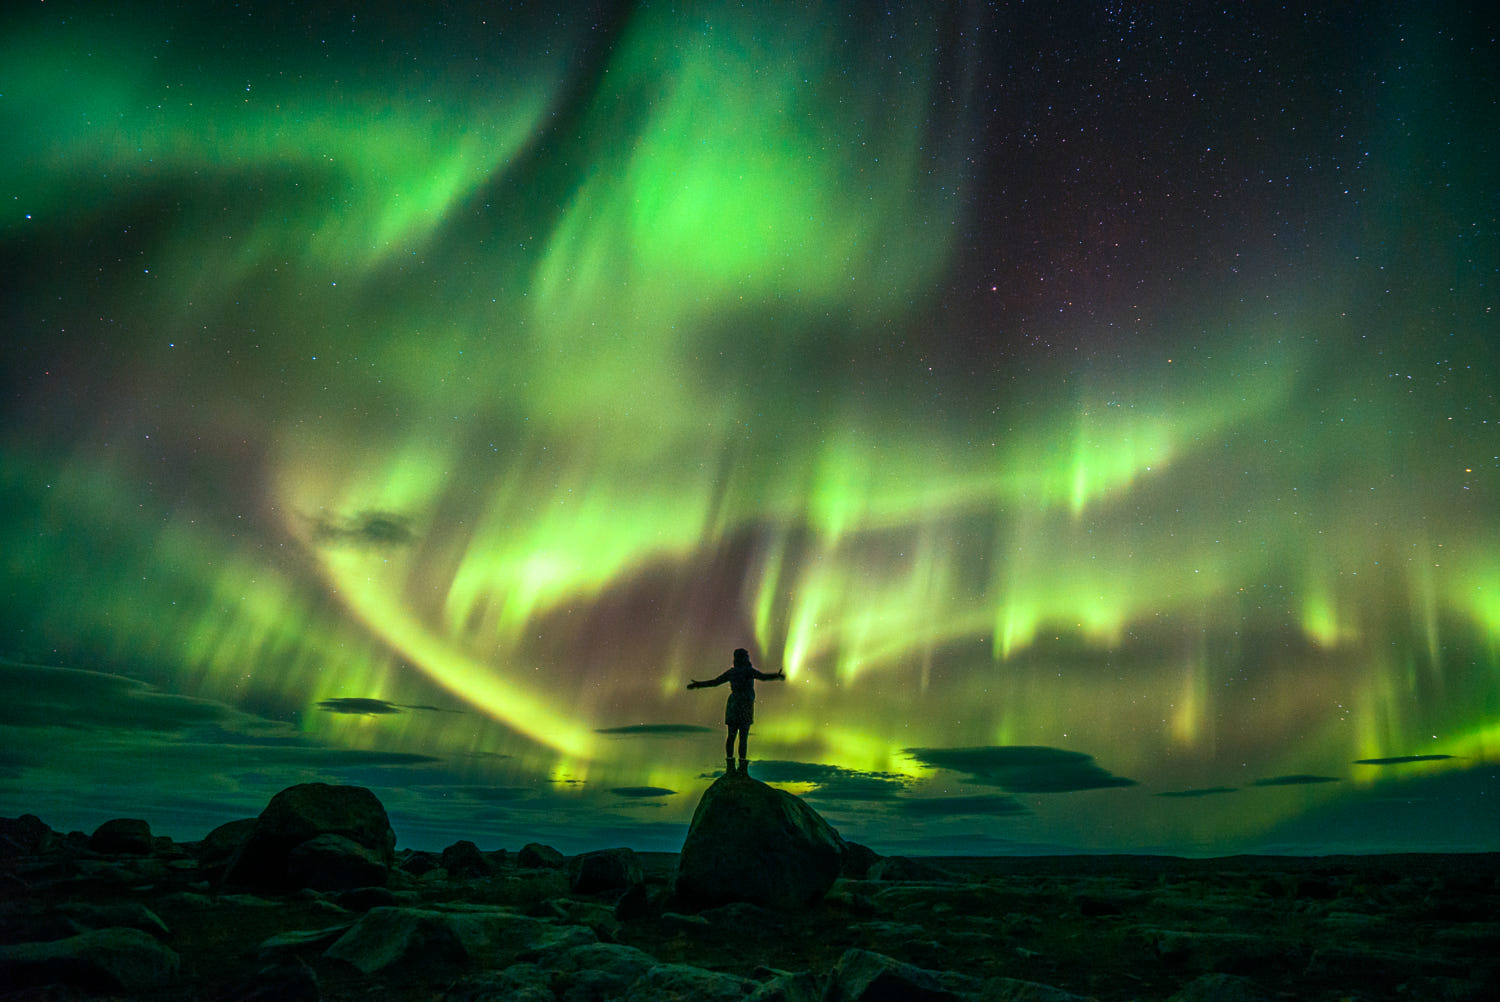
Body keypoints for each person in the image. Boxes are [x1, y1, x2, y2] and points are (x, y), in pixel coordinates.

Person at [687, 648, 785, 775]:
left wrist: (698, 685)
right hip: (745, 704)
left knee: (731, 735)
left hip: (733, 704)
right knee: (743, 737)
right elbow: (763, 677)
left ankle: (730, 767)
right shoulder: (748, 671)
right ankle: (742, 768)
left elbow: (715, 682)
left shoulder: (732, 672)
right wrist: (776, 676)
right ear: (745, 658)